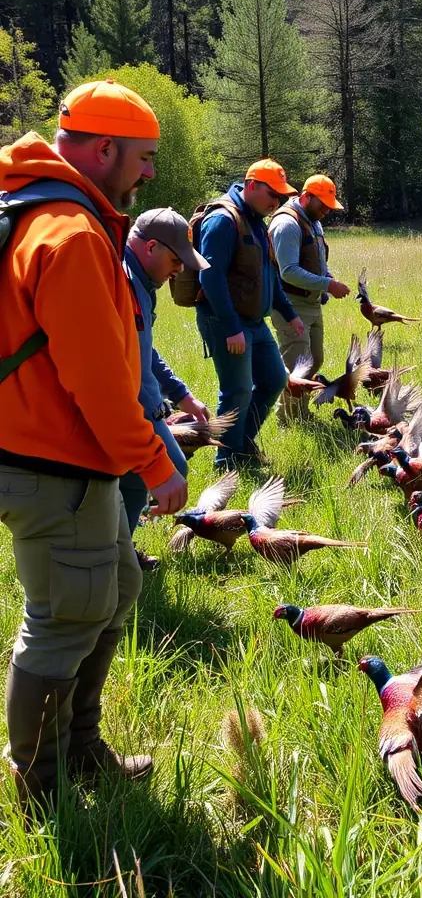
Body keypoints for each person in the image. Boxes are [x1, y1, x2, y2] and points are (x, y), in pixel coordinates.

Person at [0, 79, 187, 809]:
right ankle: (44, 791)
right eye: (142, 158)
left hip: (63, 458)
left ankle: (80, 749)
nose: (147, 174)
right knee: (65, 619)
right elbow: (101, 383)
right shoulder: (71, 235)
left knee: (120, 588)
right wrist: (155, 461)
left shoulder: (37, 209)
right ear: (104, 147)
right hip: (56, 465)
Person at [193, 160, 305, 470]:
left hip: (254, 322)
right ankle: (225, 461)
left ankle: (241, 444)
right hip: (225, 321)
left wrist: (290, 314)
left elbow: (269, 277)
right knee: (237, 390)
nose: (276, 203)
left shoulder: (257, 220)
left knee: (274, 379)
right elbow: (210, 278)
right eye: (273, 195)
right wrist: (231, 328)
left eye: (281, 198)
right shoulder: (223, 219)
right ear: (252, 186)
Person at [120, 207, 211, 570]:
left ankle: (120, 551)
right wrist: (156, 413)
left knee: (145, 477)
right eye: (176, 260)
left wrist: (181, 394)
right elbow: (124, 365)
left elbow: (145, 349)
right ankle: (114, 557)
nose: (179, 270)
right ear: (151, 248)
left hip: (139, 408)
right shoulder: (122, 282)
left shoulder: (142, 283)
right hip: (124, 410)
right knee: (166, 468)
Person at [268, 174, 350, 423]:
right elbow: (288, 271)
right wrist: (328, 284)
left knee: (314, 359)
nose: (326, 210)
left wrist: (326, 275)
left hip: (312, 303)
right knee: (296, 366)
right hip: (291, 304)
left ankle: (301, 412)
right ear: (305, 197)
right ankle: (289, 420)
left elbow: (315, 258)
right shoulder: (287, 224)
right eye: (322, 204)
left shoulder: (313, 221)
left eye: (329, 205)